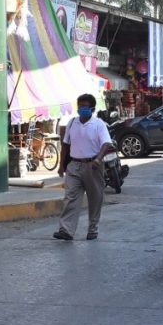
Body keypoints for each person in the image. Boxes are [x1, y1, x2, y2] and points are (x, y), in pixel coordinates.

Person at [54, 93, 114, 241]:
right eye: (80, 106)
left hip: (92, 165)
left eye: (85, 107)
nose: (82, 109)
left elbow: (106, 143)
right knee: (70, 197)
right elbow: (65, 145)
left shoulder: (98, 124)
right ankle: (66, 230)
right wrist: (61, 165)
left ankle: (93, 228)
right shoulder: (72, 123)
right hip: (74, 165)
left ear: (92, 109)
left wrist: (99, 159)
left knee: (95, 198)